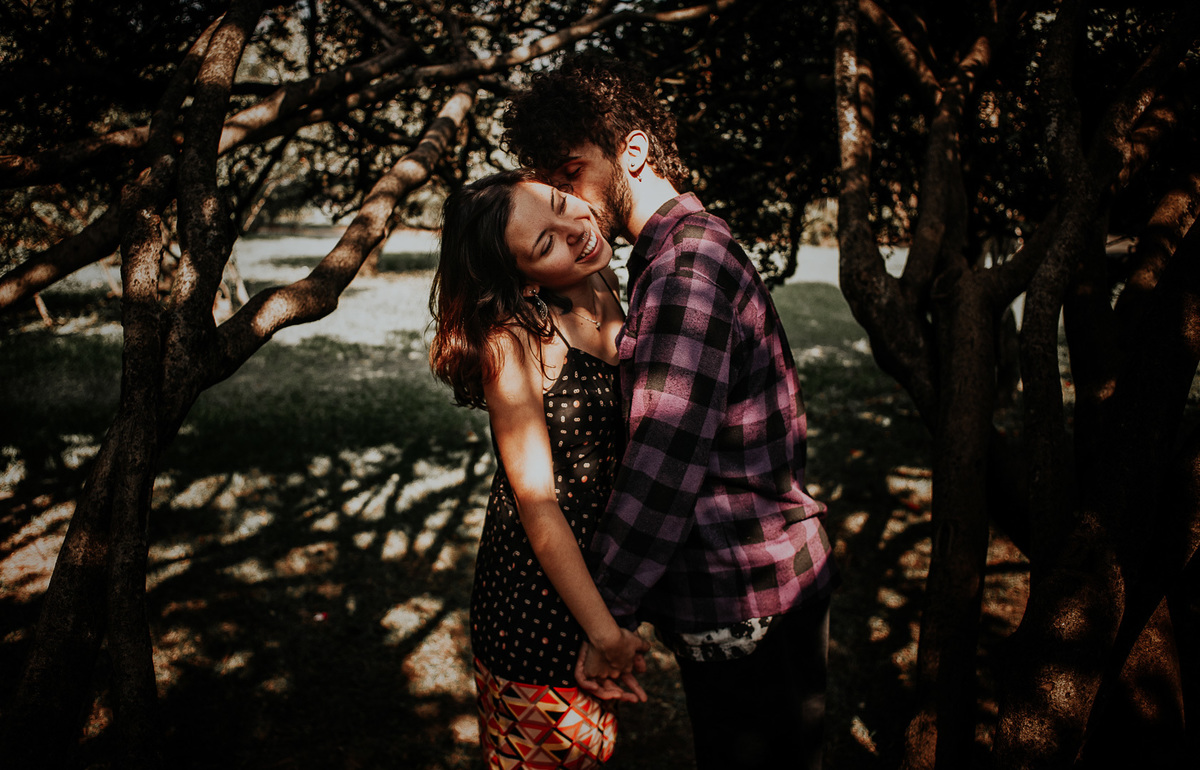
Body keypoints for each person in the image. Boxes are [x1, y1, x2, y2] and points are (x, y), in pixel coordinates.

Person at [503, 56, 840, 770]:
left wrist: (606, 618)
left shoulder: (682, 270)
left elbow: (661, 471)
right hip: (767, 582)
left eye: (570, 175)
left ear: (632, 151)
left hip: (743, 593)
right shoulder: (677, 253)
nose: (567, 202)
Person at [429, 168, 650, 769]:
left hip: (601, 582)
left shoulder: (601, 274)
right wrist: (606, 636)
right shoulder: (516, 340)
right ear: (520, 279)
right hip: (534, 603)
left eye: (560, 204)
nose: (575, 230)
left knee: (593, 754)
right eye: (544, 244)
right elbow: (538, 503)